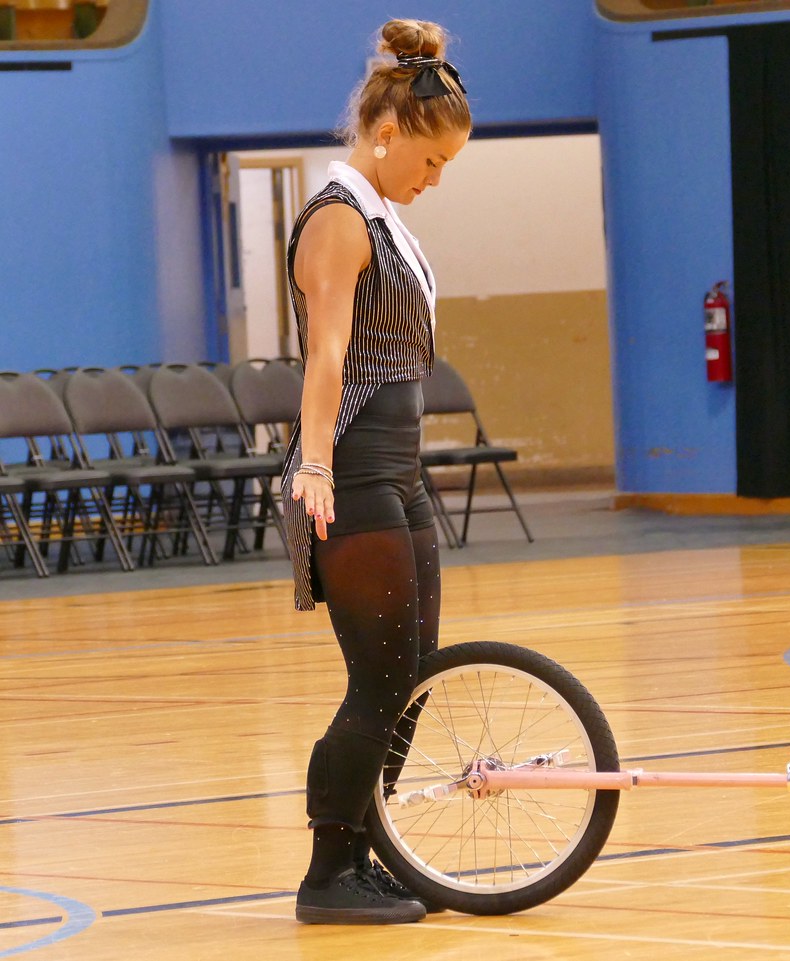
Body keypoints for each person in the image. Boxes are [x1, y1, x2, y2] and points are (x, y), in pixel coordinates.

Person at [280, 18, 471, 925]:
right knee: (379, 680)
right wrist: (314, 459)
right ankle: (328, 875)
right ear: (388, 134)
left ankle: (368, 852)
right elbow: (326, 356)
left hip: (399, 473)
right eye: (430, 163)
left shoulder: (384, 218)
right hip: (348, 474)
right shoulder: (337, 219)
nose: (435, 183)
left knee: (412, 672)